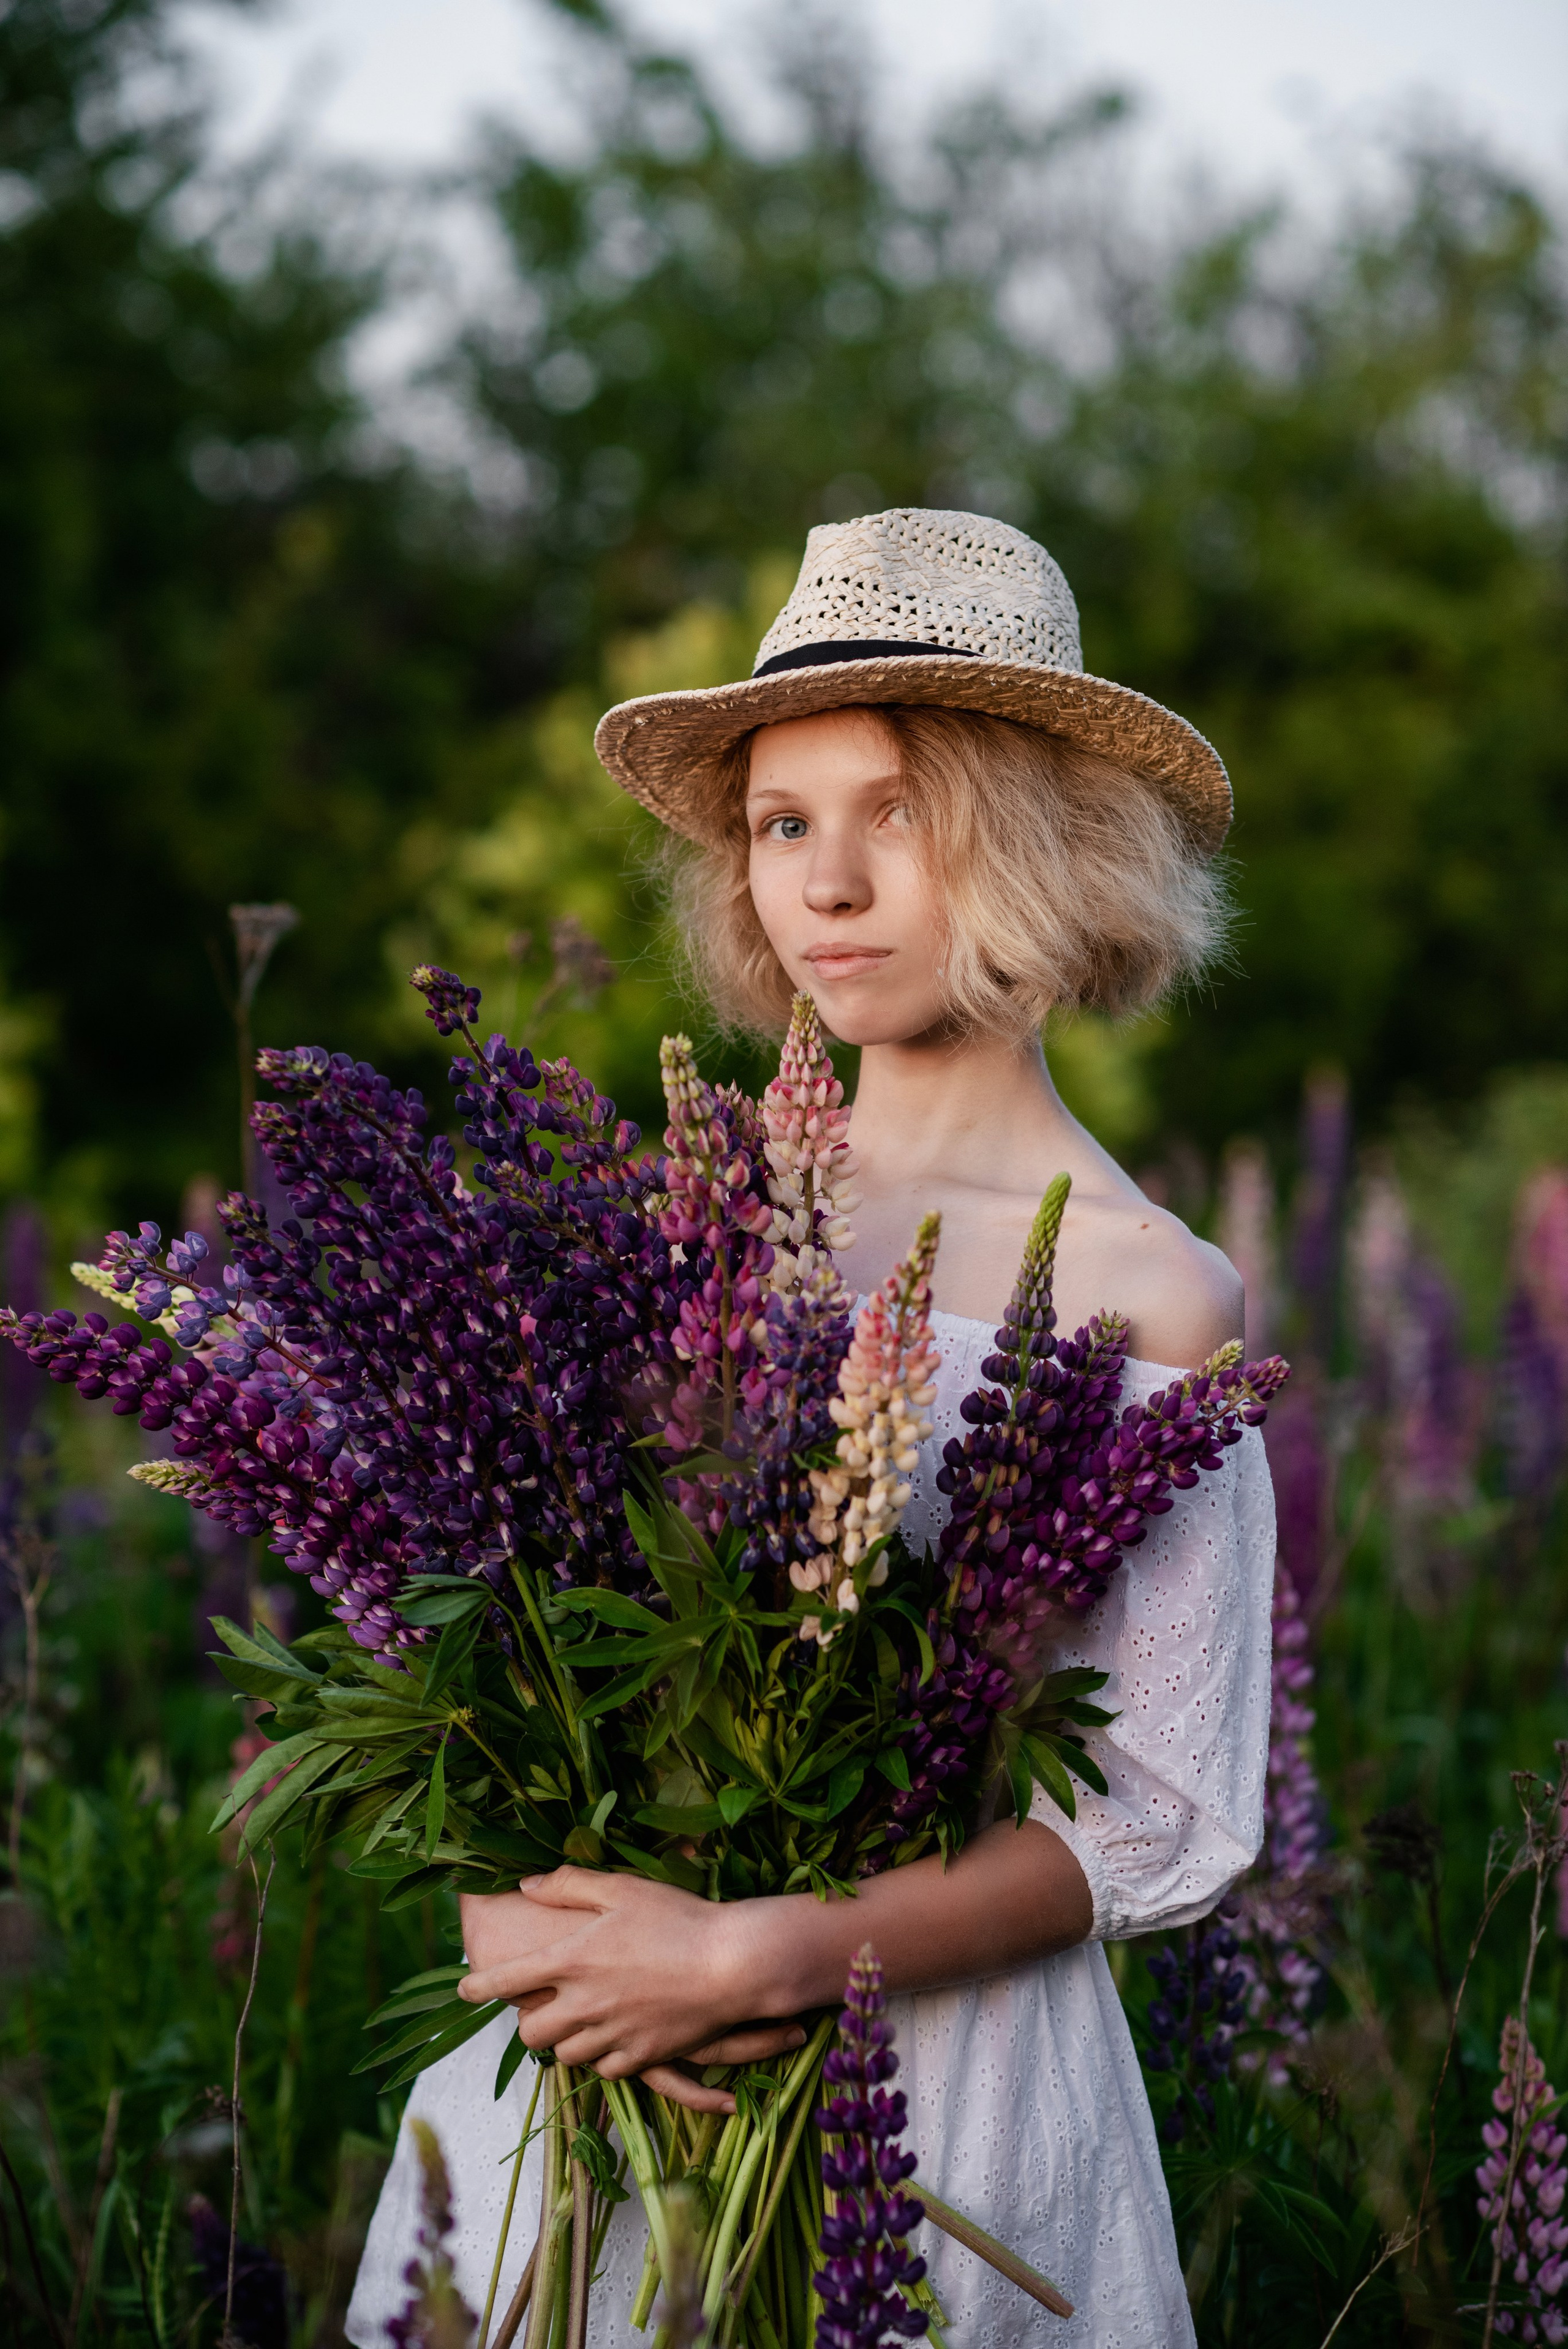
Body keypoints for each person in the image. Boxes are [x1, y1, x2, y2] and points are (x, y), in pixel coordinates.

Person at [348, 508, 1276, 2347]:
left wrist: (765, 1949)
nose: (827, 884)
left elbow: (1158, 1816)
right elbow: (512, 1622)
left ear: (1040, 844)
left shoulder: (1150, 1291)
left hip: (940, 2097)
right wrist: (517, 1915)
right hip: (601, 2071)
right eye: (782, 823)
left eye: (898, 813)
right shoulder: (674, 1223)